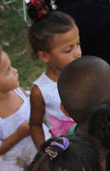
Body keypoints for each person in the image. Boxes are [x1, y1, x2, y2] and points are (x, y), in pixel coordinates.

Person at [28, 12, 81, 147]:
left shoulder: (86, 71)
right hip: (69, 152)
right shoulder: (40, 91)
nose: (77, 52)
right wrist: (48, 154)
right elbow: (35, 125)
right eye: (69, 50)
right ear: (45, 56)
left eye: (78, 44)